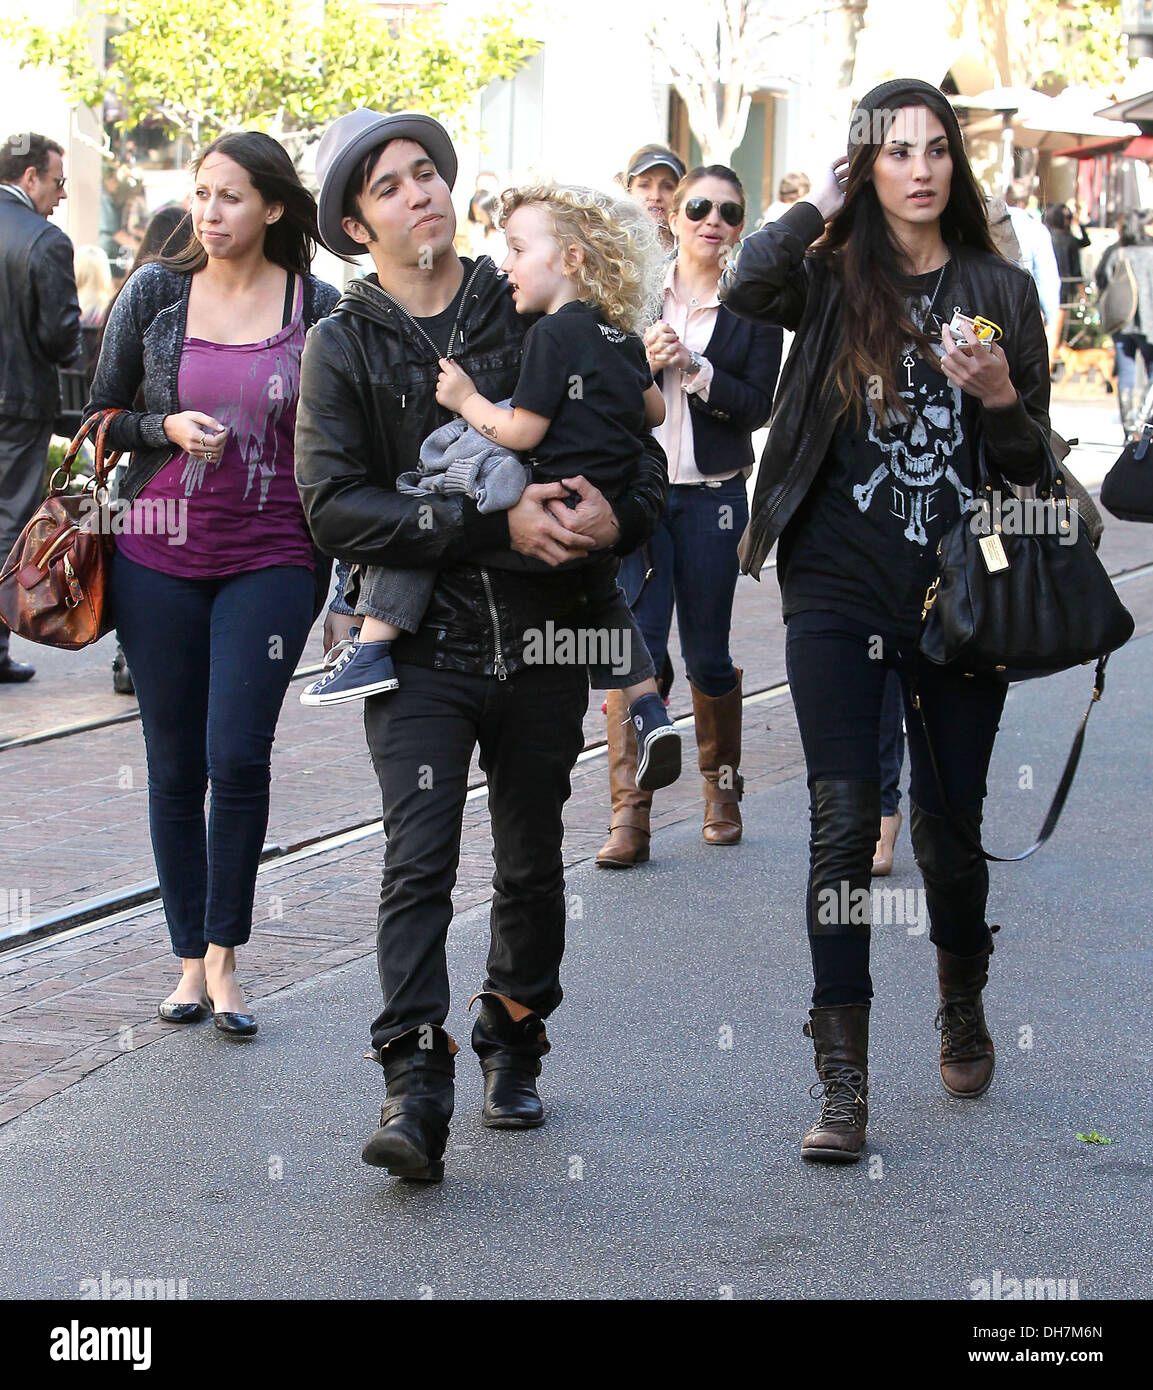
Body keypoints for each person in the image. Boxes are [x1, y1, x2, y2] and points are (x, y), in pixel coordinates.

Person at [294, 109, 668, 1182]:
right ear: (358, 225)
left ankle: (513, 1027)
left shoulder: (533, 305)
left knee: (531, 853)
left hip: (549, 636)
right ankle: (414, 1080)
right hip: (422, 649)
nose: (421, 194)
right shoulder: (344, 342)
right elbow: (333, 507)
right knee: (417, 861)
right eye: (391, 186)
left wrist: (617, 519)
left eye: (428, 173)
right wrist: (483, 525)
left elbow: (637, 461)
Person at [720, 77, 1051, 1163]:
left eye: (935, 150)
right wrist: (817, 200)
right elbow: (743, 280)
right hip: (834, 582)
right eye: (893, 151)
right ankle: (843, 1081)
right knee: (839, 823)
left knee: (950, 833)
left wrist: (998, 393)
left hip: (961, 591)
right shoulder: (825, 274)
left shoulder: (998, 286)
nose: (918, 168)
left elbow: (1034, 464)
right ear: (866, 166)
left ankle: (960, 994)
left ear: (955, 166)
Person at [85, 131, 340, 1037]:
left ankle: (229, 961)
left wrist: (346, 580)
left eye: (229, 196)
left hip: (274, 555)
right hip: (156, 552)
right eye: (201, 194)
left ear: (273, 207)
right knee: (172, 762)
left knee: (236, 754)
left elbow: (342, 447)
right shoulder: (156, 291)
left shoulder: (320, 304)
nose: (210, 212)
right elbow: (99, 415)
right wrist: (163, 426)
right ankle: (187, 963)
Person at [301, 183, 682, 786]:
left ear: (570, 259)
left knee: (436, 488)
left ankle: (371, 647)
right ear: (357, 225)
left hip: (539, 551)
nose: (508, 264)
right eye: (390, 188)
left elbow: (522, 432)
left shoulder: (543, 327)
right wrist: (604, 496)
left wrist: (465, 399)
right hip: (568, 531)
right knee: (601, 594)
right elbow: (652, 416)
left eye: (518, 249)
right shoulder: (620, 336)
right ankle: (649, 707)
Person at [597, 165, 781, 866]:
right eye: (698, 207)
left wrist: (696, 369)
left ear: (739, 225)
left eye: (728, 213)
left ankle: (720, 792)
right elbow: (595, 383)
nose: (711, 221)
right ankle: (629, 814)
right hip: (638, 498)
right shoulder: (635, 293)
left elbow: (757, 406)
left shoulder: (753, 306)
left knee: (707, 652)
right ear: (673, 216)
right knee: (633, 649)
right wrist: (640, 364)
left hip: (713, 499)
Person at [0, 131, 82, 685]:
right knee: (9, 519)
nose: (62, 194)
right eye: (57, 181)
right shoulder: (44, 240)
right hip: (17, 404)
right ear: (30, 177)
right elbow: (60, 337)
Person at [1095, 211, 1153, 433]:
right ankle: (1143, 421)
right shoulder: (1150, 252)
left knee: (1126, 373)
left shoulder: (1116, 252)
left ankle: (1129, 430)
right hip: (1149, 322)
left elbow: (1101, 279)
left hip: (1121, 321)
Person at [1002, 180, 1060, 365]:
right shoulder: (1035, 228)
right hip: (1023, 310)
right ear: (1027, 201)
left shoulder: (984, 220)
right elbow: (1047, 280)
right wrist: (1050, 317)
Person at [622, 144, 686, 253]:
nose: (655, 196)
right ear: (628, 190)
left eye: (667, 186)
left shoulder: (692, 253)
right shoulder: (612, 250)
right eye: (644, 185)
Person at [465, 189, 506, 264]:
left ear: (490, 211)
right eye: (475, 214)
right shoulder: (479, 229)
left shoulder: (501, 236)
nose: (478, 218)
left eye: (481, 214)